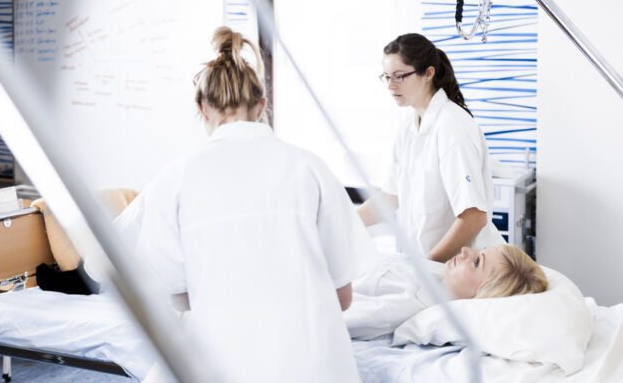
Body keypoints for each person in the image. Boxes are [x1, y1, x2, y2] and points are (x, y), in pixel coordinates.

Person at [124, 27, 377, 383]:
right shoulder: (310, 168)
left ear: (201, 108)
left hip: (221, 365)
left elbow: (177, 296)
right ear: (261, 105)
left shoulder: (173, 181)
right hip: (315, 366)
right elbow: (342, 297)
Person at [358, 33, 504, 263]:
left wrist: (426, 268)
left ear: (428, 73)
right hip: (431, 265)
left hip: (464, 266)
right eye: (386, 77)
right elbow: (390, 197)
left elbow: (474, 216)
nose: (390, 86)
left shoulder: (452, 127)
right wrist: (341, 222)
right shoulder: (408, 127)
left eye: (399, 76)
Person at [344, 244, 548, 340]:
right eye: (478, 251)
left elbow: (329, 318)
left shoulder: (400, 308)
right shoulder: (437, 273)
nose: (465, 250)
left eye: (477, 262)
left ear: (482, 294)